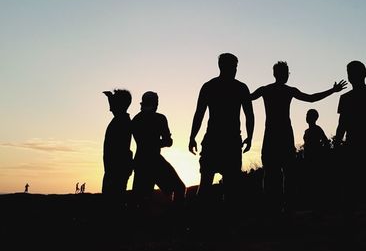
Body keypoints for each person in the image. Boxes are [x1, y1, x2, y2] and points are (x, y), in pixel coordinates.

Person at [250, 61, 347, 213]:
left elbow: (311, 98)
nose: (286, 76)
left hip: (276, 137)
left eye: (287, 73)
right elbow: (311, 98)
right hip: (279, 137)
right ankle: (277, 208)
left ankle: (279, 208)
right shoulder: (277, 90)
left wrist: (332, 90)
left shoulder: (269, 90)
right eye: (285, 73)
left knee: (278, 174)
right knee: (278, 173)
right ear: (277, 74)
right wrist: (332, 91)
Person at [188, 53, 254, 208]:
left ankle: (211, 223)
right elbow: (199, 113)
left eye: (236, 67)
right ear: (224, 67)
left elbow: (199, 113)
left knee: (217, 185)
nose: (235, 70)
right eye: (234, 67)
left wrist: (250, 137)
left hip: (219, 141)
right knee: (218, 186)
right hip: (222, 141)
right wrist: (192, 137)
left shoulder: (211, 86)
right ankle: (208, 223)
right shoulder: (238, 88)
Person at [132, 91, 186, 208]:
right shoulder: (160, 119)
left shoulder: (136, 120)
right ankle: (175, 220)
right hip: (155, 161)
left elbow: (144, 143)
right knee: (179, 188)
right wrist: (162, 142)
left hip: (140, 162)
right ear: (155, 103)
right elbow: (168, 141)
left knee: (142, 201)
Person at [335, 26, 366, 149]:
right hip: (358, 145)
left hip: (365, 145)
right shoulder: (348, 97)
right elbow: (341, 126)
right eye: (349, 72)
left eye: (351, 72)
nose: (350, 74)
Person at [102, 89, 133, 200]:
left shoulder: (121, 122)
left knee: (113, 203)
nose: (110, 108)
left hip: (116, 172)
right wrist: (110, 97)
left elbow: (118, 152)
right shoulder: (122, 120)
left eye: (113, 103)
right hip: (116, 171)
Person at [302, 109, 330, 210]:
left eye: (308, 115)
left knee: (316, 182)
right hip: (308, 159)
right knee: (310, 183)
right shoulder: (307, 131)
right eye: (307, 115)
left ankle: (318, 206)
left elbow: (326, 142)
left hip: (316, 159)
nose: (307, 117)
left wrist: (321, 154)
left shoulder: (318, 129)